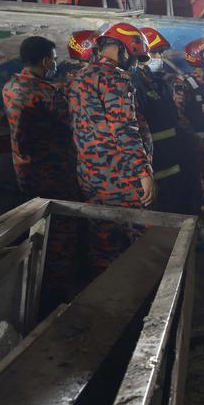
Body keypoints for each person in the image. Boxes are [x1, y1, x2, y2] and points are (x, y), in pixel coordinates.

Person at [69, 23, 155, 275]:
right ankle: (147, 305)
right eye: (134, 56)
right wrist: (143, 173)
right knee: (146, 243)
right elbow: (123, 129)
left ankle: (105, 303)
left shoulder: (80, 77)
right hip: (122, 178)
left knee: (103, 245)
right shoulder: (116, 78)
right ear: (123, 50)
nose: (135, 64)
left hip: (90, 177)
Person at [2, 36, 80, 308]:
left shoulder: (11, 86)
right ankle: (55, 296)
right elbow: (71, 120)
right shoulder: (49, 93)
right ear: (46, 60)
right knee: (61, 233)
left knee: (37, 229)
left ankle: (36, 289)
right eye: (55, 60)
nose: (56, 65)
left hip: (26, 172)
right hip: (55, 174)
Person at [132, 27, 203, 215]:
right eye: (154, 52)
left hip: (173, 166)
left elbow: (175, 123)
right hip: (154, 169)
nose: (159, 57)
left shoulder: (161, 83)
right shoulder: (132, 84)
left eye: (161, 53)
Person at [174, 37, 204, 140]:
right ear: (197, 57)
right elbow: (179, 115)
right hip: (194, 139)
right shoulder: (184, 82)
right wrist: (192, 138)